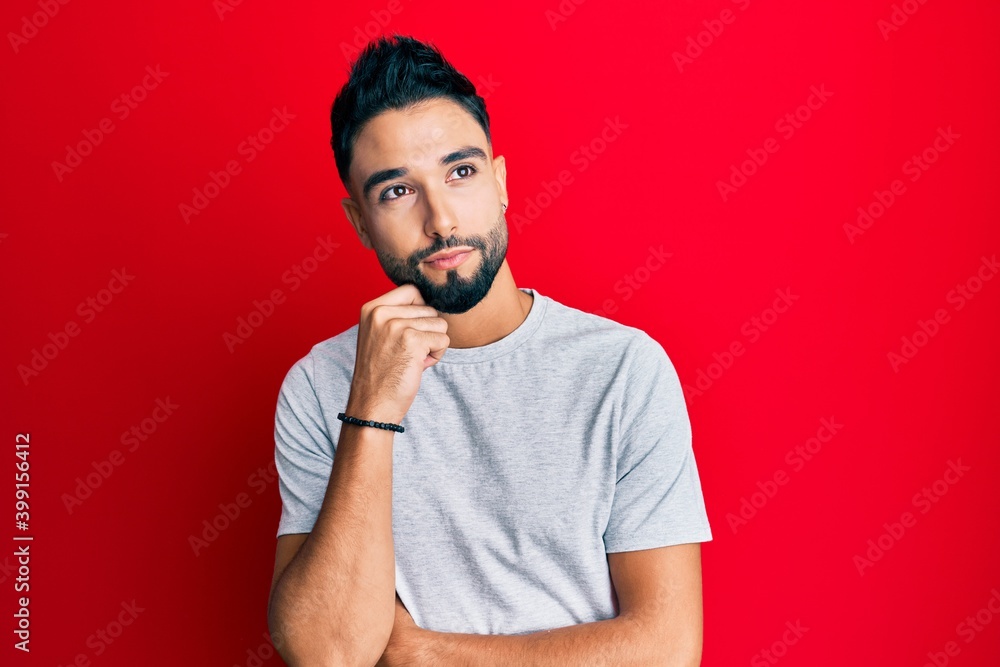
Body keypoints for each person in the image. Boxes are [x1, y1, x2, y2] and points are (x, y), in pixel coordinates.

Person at [267, 33, 713, 667]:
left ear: (500, 181)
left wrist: (427, 654)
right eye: (397, 191)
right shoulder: (319, 387)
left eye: (461, 171)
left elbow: (667, 649)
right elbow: (328, 652)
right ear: (359, 222)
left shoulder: (623, 370)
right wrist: (372, 408)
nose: (442, 219)